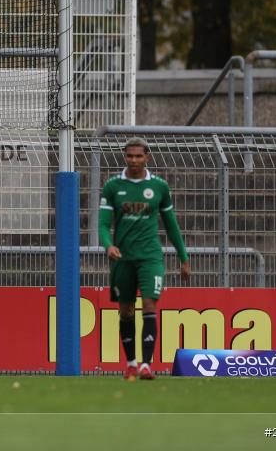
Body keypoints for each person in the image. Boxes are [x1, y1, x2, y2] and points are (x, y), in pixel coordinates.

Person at [98, 137, 190, 381]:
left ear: (147, 157)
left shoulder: (159, 187)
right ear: (124, 156)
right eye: (130, 156)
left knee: (149, 304)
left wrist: (183, 257)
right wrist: (108, 246)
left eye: (139, 156)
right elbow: (103, 225)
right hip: (123, 259)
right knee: (126, 310)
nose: (134, 160)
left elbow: (171, 225)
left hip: (150, 257)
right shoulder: (112, 186)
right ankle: (130, 363)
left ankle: (146, 365)